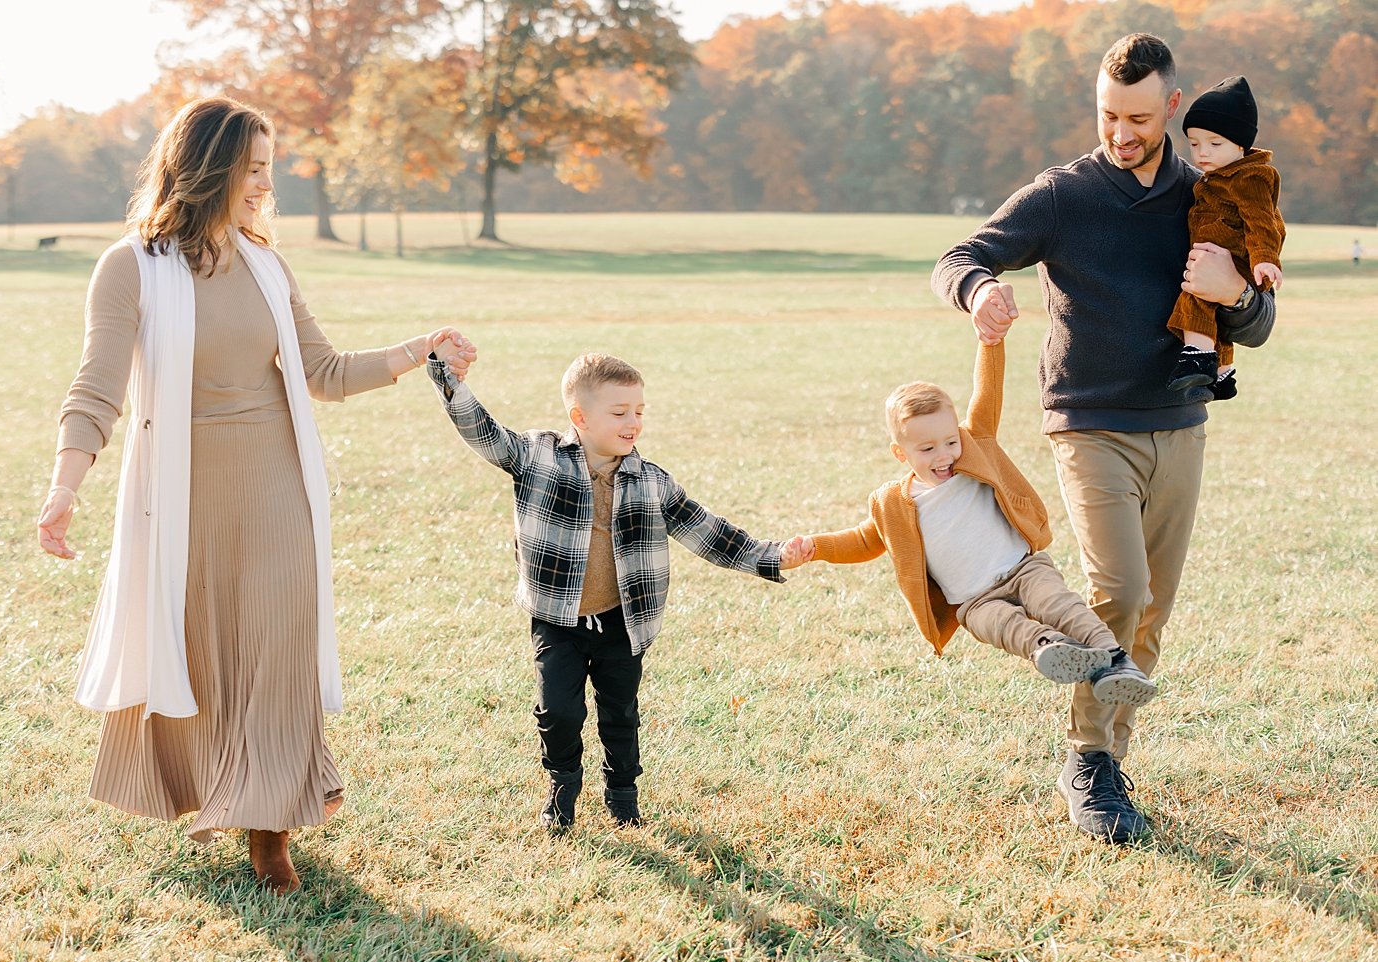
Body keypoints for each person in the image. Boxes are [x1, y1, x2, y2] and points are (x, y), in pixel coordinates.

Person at [36, 96, 474, 894]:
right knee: (200, 647)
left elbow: (325, 373)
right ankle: (212, 792)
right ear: (207, 168)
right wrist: (65, 486)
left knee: (276, 650)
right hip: (182, 493)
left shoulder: (268, 264)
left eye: (271, 167)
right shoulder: (131, 266)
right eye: (254, 168)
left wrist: (422, 347)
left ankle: (270, 830)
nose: (267, 184)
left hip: (277, 482)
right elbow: (96, 389)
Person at [931, 34, 1277, 843]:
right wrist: (978, 290)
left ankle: (1110, 760)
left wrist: (1235, 295)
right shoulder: (1064, 196)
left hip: (1181, 424)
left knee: (1151, 610)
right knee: (1118, 591)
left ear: (1173, 107)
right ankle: (1087, 759)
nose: (1121, 132)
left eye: (1139, 117)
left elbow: (1257, 319)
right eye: (1108, 115)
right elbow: (961, 255)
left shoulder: (1209, 192)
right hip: (1087, 421)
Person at [423, 337, 813, 831]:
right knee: (558, 710)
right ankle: (563, 784)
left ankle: (622, 793)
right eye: (620, 412)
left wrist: (772, 554)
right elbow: (483, 432)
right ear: (580, 417)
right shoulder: (537, 457)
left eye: (639, 412)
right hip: (557, 617)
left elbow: (709, 531)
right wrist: (446, 375)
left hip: (623, 621)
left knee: (619, 712)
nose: (633, 423)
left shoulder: (651, 481)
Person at [804, 339, 1156, 715]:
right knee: (1005, 626)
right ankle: (1051, 649)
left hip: (1023, 569)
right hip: (974, 602)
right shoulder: (894, 503)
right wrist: (815, 547)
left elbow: (987, 390)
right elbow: (862, 540)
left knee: (1058, 604)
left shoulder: (976, 446)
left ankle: (1115, 660)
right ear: (900, 453)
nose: (944, 455)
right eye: (927, 449)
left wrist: (991, 339)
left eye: (950, 441)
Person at [1165, 76, 1285, 400]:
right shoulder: (1215, 177)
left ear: (1240, 146)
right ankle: (1221, 374)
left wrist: (1264, 259)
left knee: (1195, 296)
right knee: (1210, 307)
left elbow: (1262, 221)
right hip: (1217, 255)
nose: (1202, 152)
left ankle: (1199, 358)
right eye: (1194, 143)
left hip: (1238, 259)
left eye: (1215, 144)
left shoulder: (1250, 176)